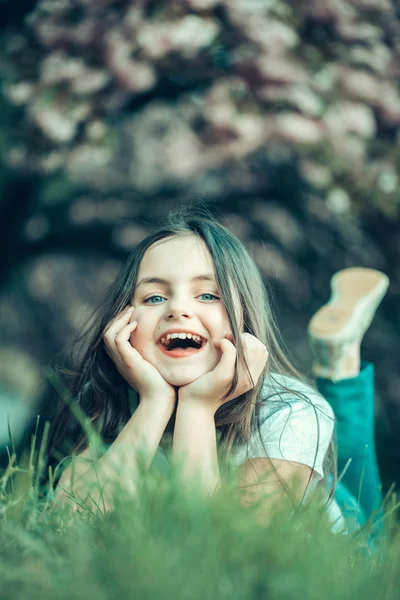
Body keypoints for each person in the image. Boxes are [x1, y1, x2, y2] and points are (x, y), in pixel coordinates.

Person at [45, 207, 388, 536]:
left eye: (208, 295)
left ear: (244, 316)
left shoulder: (290, 410)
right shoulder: (110, 400)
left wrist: (196, 408)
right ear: (122, 322)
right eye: (153, 298)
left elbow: (223, 548)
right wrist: (153, 403)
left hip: (341, 539)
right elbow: (63, 528)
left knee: (363, 511)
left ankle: (338, 359)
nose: (178, 308)